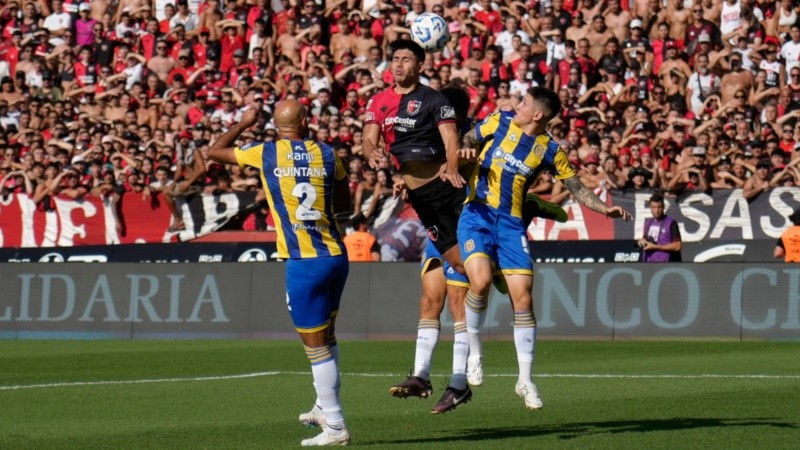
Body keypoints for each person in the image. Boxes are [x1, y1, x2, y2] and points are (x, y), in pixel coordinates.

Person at [458, 87, 632, 410]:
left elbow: (575, 187)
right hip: (477, 214)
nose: (517, 104)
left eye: (523, 102)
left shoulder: (550, 149)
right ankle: (475, 351)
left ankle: (525, 380)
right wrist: (468, 150)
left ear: (537, 114)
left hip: (511, 225)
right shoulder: (499, 120)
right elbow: (470, 138)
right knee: (480, 281)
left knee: (523, 298)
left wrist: (603, 208)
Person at [207, 102, 352, 447]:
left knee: (315, 347)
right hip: (335, 255)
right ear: (305, 121)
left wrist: (243, 123)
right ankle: (322, 404)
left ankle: (335, 425)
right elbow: (345, 206)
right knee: (327, 336)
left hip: (303, 262)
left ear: (276, 125)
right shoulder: (329, 154)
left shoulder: (266, 153)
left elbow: (214, 152)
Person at [638, 193, 682, 262]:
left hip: (665, 263)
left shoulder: (671, 223)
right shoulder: (648, 222)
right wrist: (641, 242)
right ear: (650, 207)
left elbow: (677, 246)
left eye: (659, 207)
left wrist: (655, 246)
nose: (656, 210)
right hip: (649, 263)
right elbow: (644, 239)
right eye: (654, 207)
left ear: (663, 207)